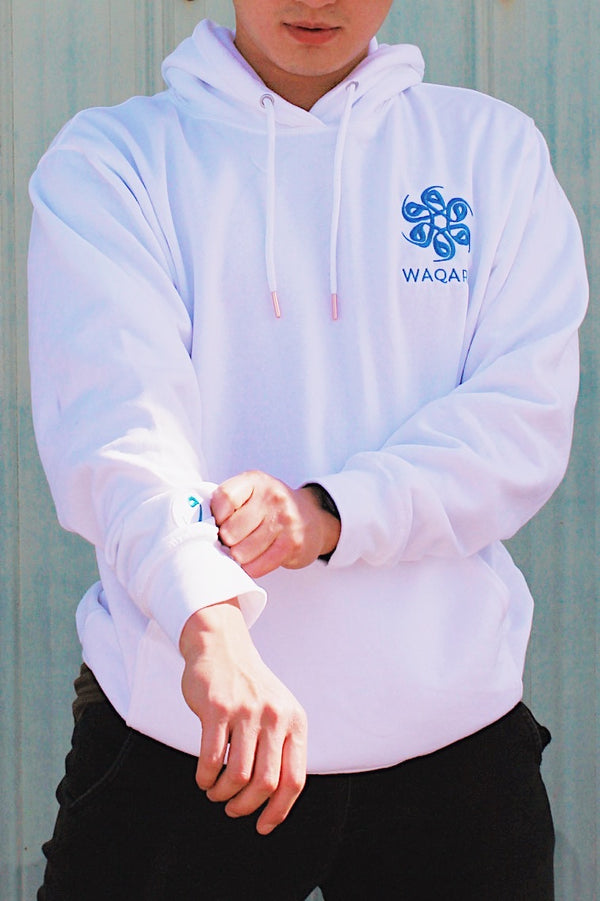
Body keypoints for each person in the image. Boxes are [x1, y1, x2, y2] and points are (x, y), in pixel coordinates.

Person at [28, 1, 588, 898]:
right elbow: (119, 427)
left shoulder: (490, 152)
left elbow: (521, 420)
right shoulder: (116, 161)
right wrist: (210, 623)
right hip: (185, 732)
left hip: (451, 748)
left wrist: (326, 514)